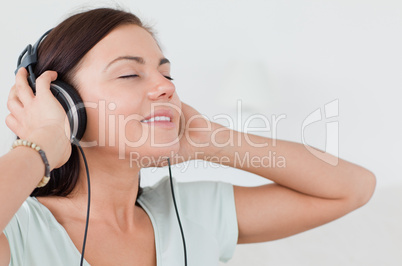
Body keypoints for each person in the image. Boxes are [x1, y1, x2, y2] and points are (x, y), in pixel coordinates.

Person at [0, 7, 376, 266]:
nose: (164, 87)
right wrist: (42, 142)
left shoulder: (192, 212)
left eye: (167, 74)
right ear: (66, 104)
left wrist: (208, 139)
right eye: (130, 74)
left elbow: (354, 187)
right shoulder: (20, 229)